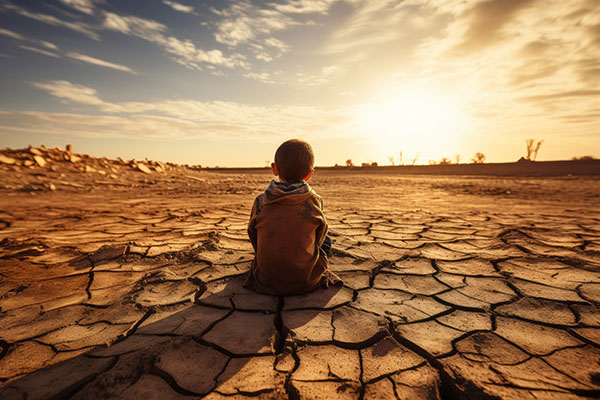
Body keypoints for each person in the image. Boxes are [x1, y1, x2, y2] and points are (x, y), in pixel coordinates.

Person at [243, 139, 342, 295]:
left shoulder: (261, 200)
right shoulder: (314, 200)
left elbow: (252, 234)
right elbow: (319, 238)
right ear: (309, 173)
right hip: (306, 281)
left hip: (266, 280)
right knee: (326, 239)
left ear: (274, 169)